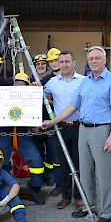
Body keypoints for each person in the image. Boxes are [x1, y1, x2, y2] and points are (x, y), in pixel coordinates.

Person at [42, 46, 111, 222]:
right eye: (91, 58)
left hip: (101, 130)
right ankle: (89, 206)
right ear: (87, 61)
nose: (94, 61)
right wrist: (53, 120)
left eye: (97, 58)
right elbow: (73, 106)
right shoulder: (85, 82)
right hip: (84, 130)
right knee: (84, 173)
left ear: (104, 60)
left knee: (103, 174)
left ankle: (107, 212)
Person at [43, 50, 86, 210]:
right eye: (61, 62)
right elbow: (39, 95)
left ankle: (79, 197)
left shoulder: (84, 81)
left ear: (74, 62)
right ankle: (66, 196)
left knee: (79, 163)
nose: (64, 65)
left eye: (67, 61)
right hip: (60, 129)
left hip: (79, 127)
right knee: (64, 164)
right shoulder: (52, 82)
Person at [0, 72, 46, 205]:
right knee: (0, 161)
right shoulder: (3, 97)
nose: (19, 87)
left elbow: (35, 128)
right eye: (17, 84)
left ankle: (35, 188)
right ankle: (2, 189)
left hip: (23, 134)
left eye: (23, 85)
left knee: (36, 160)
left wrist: (36, 98)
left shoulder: (31, 100)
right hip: (5, 132)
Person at [33, 49, 62, 195]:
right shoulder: (46, 80)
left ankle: (52, 177)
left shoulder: (65, 79)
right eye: (51, 61)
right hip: (40, 120)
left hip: (55, 122)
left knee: (53, 151)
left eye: (55, 60)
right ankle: (44, 176)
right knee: (39, 150)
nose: (54, 63)